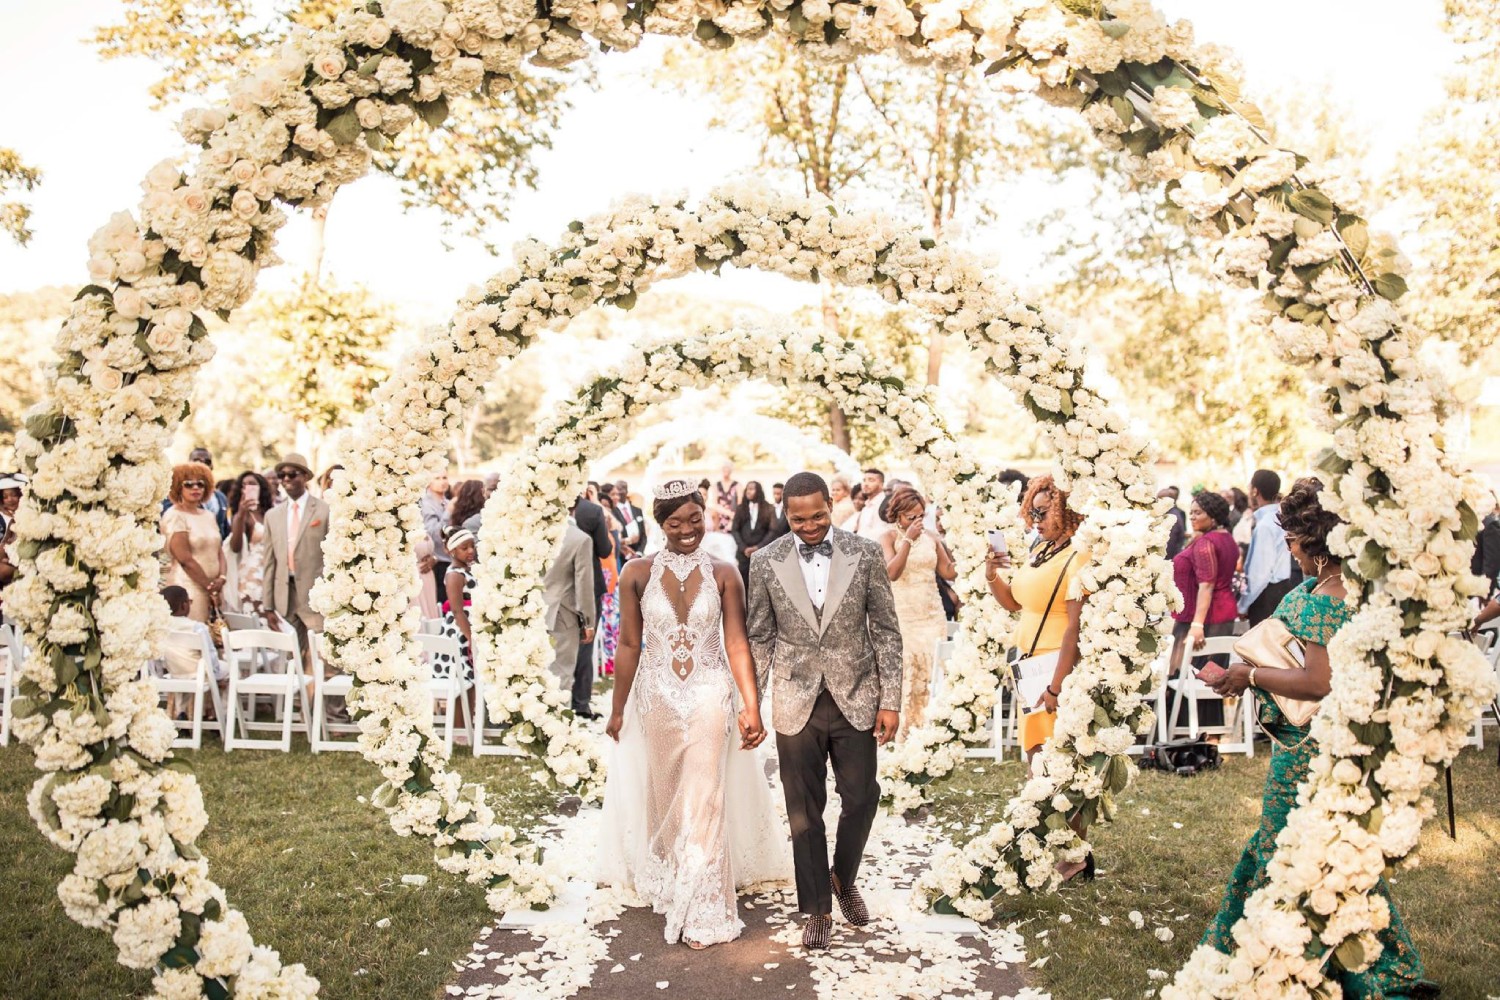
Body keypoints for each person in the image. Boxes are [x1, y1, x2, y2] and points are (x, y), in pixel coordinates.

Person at [1206, 478, 1434, 995]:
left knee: (1288, 849)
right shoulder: (1342, 590)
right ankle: (1385, 964)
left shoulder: (1327, 600)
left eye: (1291, 540)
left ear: (1315, 543)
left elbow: (1318, 682)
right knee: (1329, 854)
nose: (1288, 549)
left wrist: (1252, 677)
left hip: (1308, 750)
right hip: (1335, 743)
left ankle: (1275, 955)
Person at [599, 480, 782, 949]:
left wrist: (750, 704)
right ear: (659, 524)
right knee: (665, 792)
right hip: (655, 696)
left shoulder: (725, 573)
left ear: (707, 516)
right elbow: (629, 644)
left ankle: (705, 906)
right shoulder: (636, 572)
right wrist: (617, 709)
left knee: (705, 795)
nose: (687, 530)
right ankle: (670, 878)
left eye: (695, 520)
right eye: (675, 522)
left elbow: (737, 643)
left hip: (709, 693)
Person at [746, 472, 903, 951]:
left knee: (862, 798)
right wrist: (751, 702)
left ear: (830, 505)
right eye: (798, 518)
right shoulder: (766, 561)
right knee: (803, 812)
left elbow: (887, 631)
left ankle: (843, 875)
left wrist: (891, 699)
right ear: (785, 514)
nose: (809, 526)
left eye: (817, 515)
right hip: (795, 701)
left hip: (857, 695)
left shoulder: (867, 553)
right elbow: (759, 635)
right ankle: (817, 908)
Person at [983, 473, 1093, 881]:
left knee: (1061, 766)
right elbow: (1014, 602)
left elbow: (1074, 629)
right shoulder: (1040, 549)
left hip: (1055, 667)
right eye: (1032, 510)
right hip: (1029, 665)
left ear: (1066, 509)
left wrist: (1057, 685)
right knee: (1037, 761)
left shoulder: (1078, 556)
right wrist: (993, 574)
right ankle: (1061, 847)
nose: (1035, 519)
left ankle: (1076, 854)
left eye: (1043, 512)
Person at [879, 489, 955, 738]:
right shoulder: (888, 537)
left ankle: (932, 728)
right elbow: (892, 573)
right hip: (904, 616)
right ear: (898, 516)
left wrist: (968, 549)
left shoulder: (932, 537)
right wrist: (908, 541)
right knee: (909, 670)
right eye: (911, 517)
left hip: (932, 614)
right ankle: (904, 731)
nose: (917, 522)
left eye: (920, 516)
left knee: (933, 668)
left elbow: (948, 571)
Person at [1167, 491, 1240, 728]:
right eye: (1191, 513)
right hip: (1222, 611)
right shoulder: (1225, 537)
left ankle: (1185, 729)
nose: (1193, 517)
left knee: (1193, 672)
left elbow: (1206, 584)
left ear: (1214, 515)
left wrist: (1197, 625)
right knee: (1211, 672)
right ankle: (1209, 730)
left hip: (1203, 616)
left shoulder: (1207, 543)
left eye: (1198, 512)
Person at [261, 453, 329, 670]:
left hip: (316, 595)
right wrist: (268, 605)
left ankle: (328, 704)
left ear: (306, 477)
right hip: (285, 596)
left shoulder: (324, 510)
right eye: (282, 475)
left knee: (323, 656)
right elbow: (269, 562)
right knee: (292, 659)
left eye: (292, 474)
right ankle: (298, 703)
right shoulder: (273, 515)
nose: (286, 479)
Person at [543, 504, 597, 715]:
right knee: (561, 676)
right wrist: (588, 621)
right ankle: (556, 730)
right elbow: (584, 584)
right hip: (561, 614)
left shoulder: (532, 533)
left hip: (529, 613)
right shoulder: (580, 539)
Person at [161, 461, 227, 623]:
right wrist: (210, 587)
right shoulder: (175, 515)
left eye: (200, 484)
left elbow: (219, 551)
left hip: (215, 588)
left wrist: (222, 578)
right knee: (195, 639)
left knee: (216, 638)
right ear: (178, 487)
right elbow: (184, 559)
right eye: (188, 484)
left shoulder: (208, 515)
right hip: (189, 588)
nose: (195, 488)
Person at [1238, 469, 1299, 624]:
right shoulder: (1280, 518)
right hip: (1281, 589)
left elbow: (1260, 573)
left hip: (1267, 595)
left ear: (1255, 491)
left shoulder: (1265, 525)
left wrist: (1243, 605)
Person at [572, 491, 615, 700]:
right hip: (589, 582)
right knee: (585, 643)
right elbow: (605, 550)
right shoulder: (591, 511)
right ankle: (580, 701)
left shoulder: (543, 507)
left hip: (558, 587)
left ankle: (559, 697)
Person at [160, 585, 227, 718]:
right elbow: (210, 654)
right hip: (199, 674)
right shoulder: (197, 628)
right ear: (184, 605)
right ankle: (221, 713)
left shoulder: (161, 627)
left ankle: (181, 711)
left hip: (174, 673)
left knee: (184, 675)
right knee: (230, 672)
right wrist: (214, 672)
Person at [433, 528, 478, 688]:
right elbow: (457, 610)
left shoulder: (468, 569)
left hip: (470, 626)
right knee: (463, 684)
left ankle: (472, 713)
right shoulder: (454, 574)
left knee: (472, 683)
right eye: (464, 548)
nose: (471, 551)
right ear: (452, 551)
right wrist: (470, 637)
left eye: (472, 546)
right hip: (460, 632)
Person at [224, 470, 272, 615]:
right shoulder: (241, 516)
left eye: (252, 484)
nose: (247, 487)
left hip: (272, 570)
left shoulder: (270, 512)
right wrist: (241, 513)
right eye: (243, 485)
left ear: (261, 488)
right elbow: (235, 547)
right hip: (253, 573)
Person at [730, 480, 776, 585]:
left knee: (761, 585)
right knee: (743, 585)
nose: (748, 491)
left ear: (758, 491)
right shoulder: (741, 508)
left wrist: (758, 547)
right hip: (743, 555)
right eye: (747, 489)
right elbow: (735, 530)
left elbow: (772, 531)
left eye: (751, 489)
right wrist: (744, 548)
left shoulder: (769, 508)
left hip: (762, 554)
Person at [187, 447, 232, 539]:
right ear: (188, 464)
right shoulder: (177, 493)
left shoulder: (221, 497)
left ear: (212, 466)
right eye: (197, 461)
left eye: (207, 462)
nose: (202, 464)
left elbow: (225, 531)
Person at [421, 472, 452, 596]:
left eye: (445, 477)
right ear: (429, 481)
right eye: (437, 478)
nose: (442, 481)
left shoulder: (447, 502)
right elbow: (434, 535)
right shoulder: (426, 504)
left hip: (451, 560)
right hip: (436, 563)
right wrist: (448, 513)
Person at [853, 468, 890, 540]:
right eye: (864, 480)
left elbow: (881, 533)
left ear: (881, 485)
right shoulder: (866, 506)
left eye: (871, 480)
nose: (865, 484)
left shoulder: (885, 504)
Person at [615, 479, 646, 559]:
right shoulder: (612, 512)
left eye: (623, 488)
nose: (620, 492)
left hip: (638, 556)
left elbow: (643, 535)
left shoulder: (637, 510)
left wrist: (639, 553)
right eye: (618, 489)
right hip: (622, 556)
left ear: (627, 490)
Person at [1159, 486, 1187, 558]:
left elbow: (1169, 543)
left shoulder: (1172, 517)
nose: (1156, 502)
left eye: (1159, 499)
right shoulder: (1167, 513)